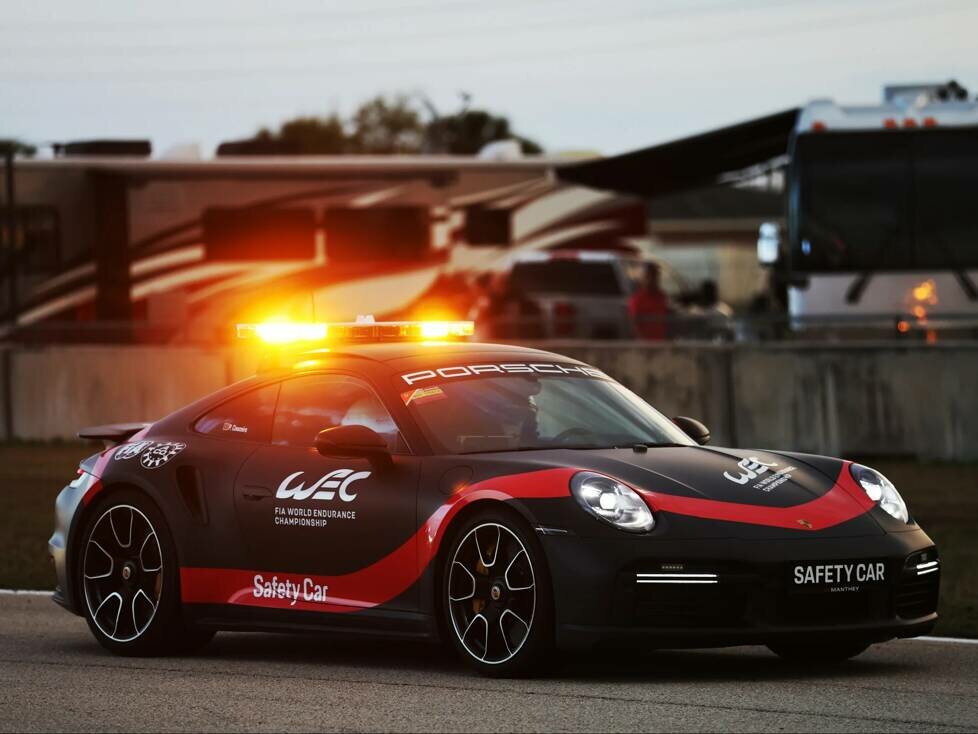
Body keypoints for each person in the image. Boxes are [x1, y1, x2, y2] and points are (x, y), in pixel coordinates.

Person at [628, 263, 671, 340]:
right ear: (644, 278)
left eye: (655, 276)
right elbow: (634, 324)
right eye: (649, 276)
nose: (652, 280)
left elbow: (666, 319)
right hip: (646, 344)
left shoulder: (662, 296)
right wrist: (644, 343)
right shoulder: (637, 299)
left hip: (661, 342)